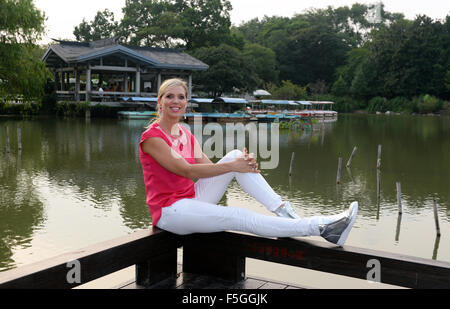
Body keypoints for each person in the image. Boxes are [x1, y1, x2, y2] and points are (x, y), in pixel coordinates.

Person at [139, 78, 358, 246]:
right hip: (170, 212)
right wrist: (233, 167)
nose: (175, 101)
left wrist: (240, 164)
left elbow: (209, 168)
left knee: (236, 155)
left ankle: (284, 212)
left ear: (186, 102)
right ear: (159, 102)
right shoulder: (152, 138)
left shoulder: (185, 133)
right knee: (238, 216)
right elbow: (186, 170)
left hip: (192, 199)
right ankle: (321, 227)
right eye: (169, 96)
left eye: (181, 97)